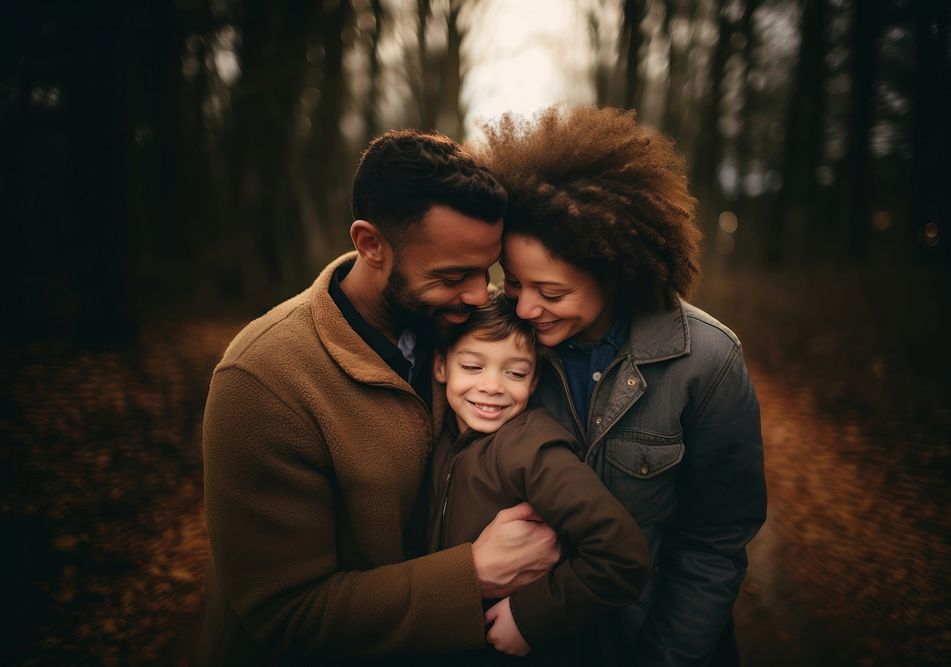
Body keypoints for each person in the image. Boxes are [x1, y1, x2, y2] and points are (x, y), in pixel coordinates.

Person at [198, 130, 561, 665]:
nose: (476, 293)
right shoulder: (264, 380)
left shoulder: (454, 328)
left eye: (486, 270)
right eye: (453, 275)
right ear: (370, 244)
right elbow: (284, 615)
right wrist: (474, 576)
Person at [477, 106, 767, 666]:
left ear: (614, 271)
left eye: (552, 293)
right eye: (513, 282)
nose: (527, 307)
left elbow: (713, 545)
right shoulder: (493, 344)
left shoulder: (707, 361)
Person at [427, 293, 651, 661]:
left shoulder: (535, 450)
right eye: (472, 367)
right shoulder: (442, 439)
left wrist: (531, 617)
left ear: (533, 383)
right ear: (441, 367)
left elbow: (623, 557)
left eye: (514, 373)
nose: (493, 385)